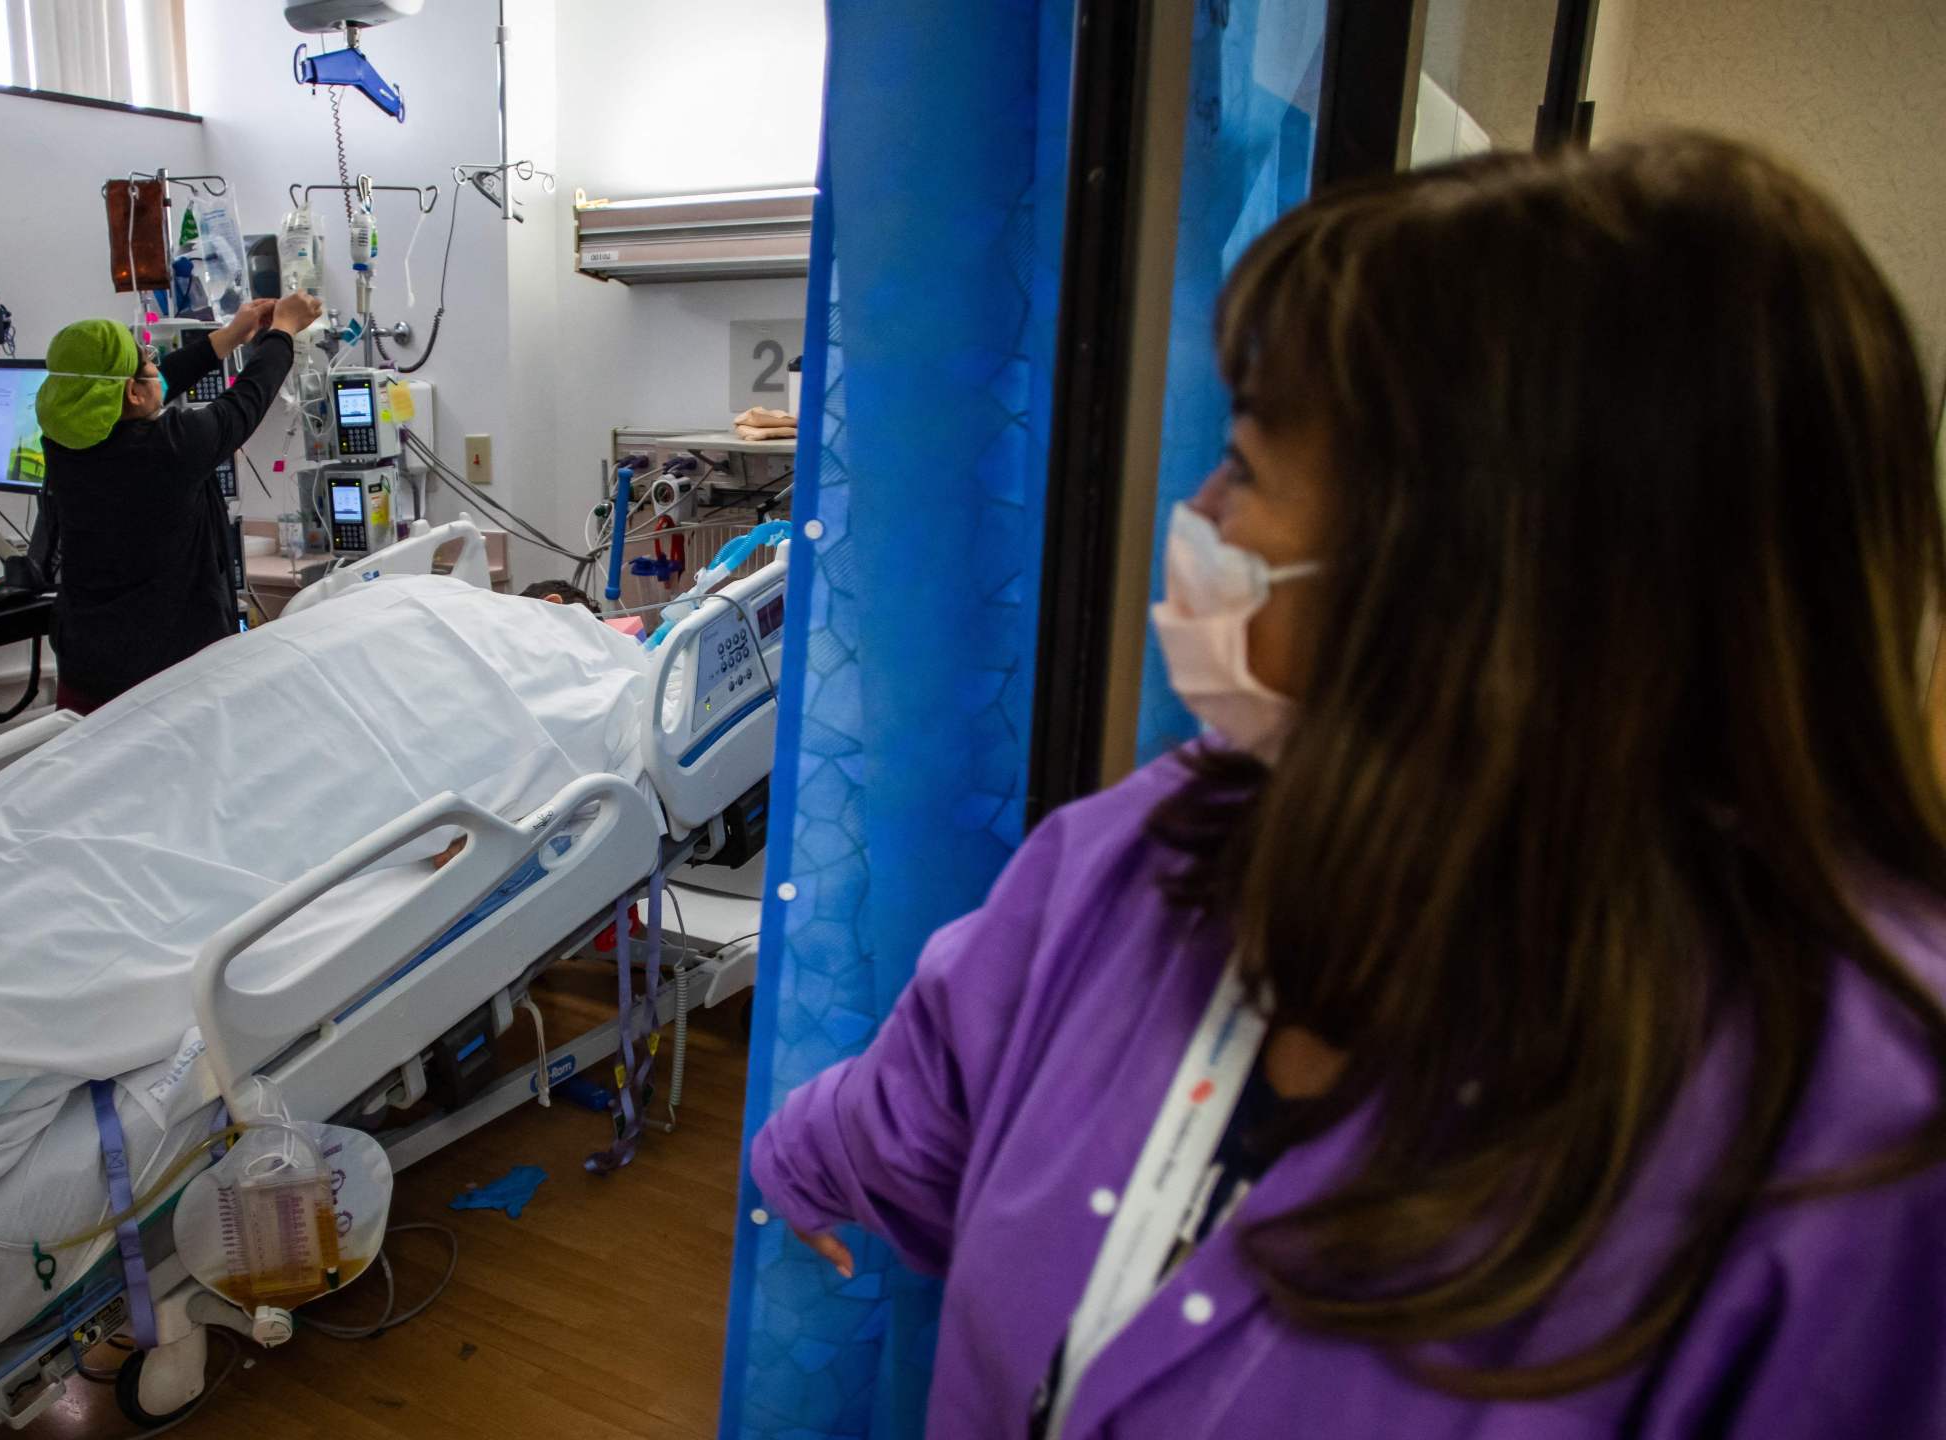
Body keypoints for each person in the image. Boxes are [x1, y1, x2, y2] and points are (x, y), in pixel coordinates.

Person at [748, 133, 1946, 1437]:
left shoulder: (1864, 1156)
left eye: (1248, 467)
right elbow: (938, 1081)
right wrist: (802, 1155)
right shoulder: (1162, 846)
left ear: (1480, 568)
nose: (1199, 511)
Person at [35, 291, 323, 713]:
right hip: (164, 683)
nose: (157, 365)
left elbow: (153, 384)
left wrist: (228, 338)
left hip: (86, 671)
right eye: (148, 358)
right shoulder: (170, 449)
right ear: (132, 392)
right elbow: (247, 399)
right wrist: (283, 331)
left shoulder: (65, 443)